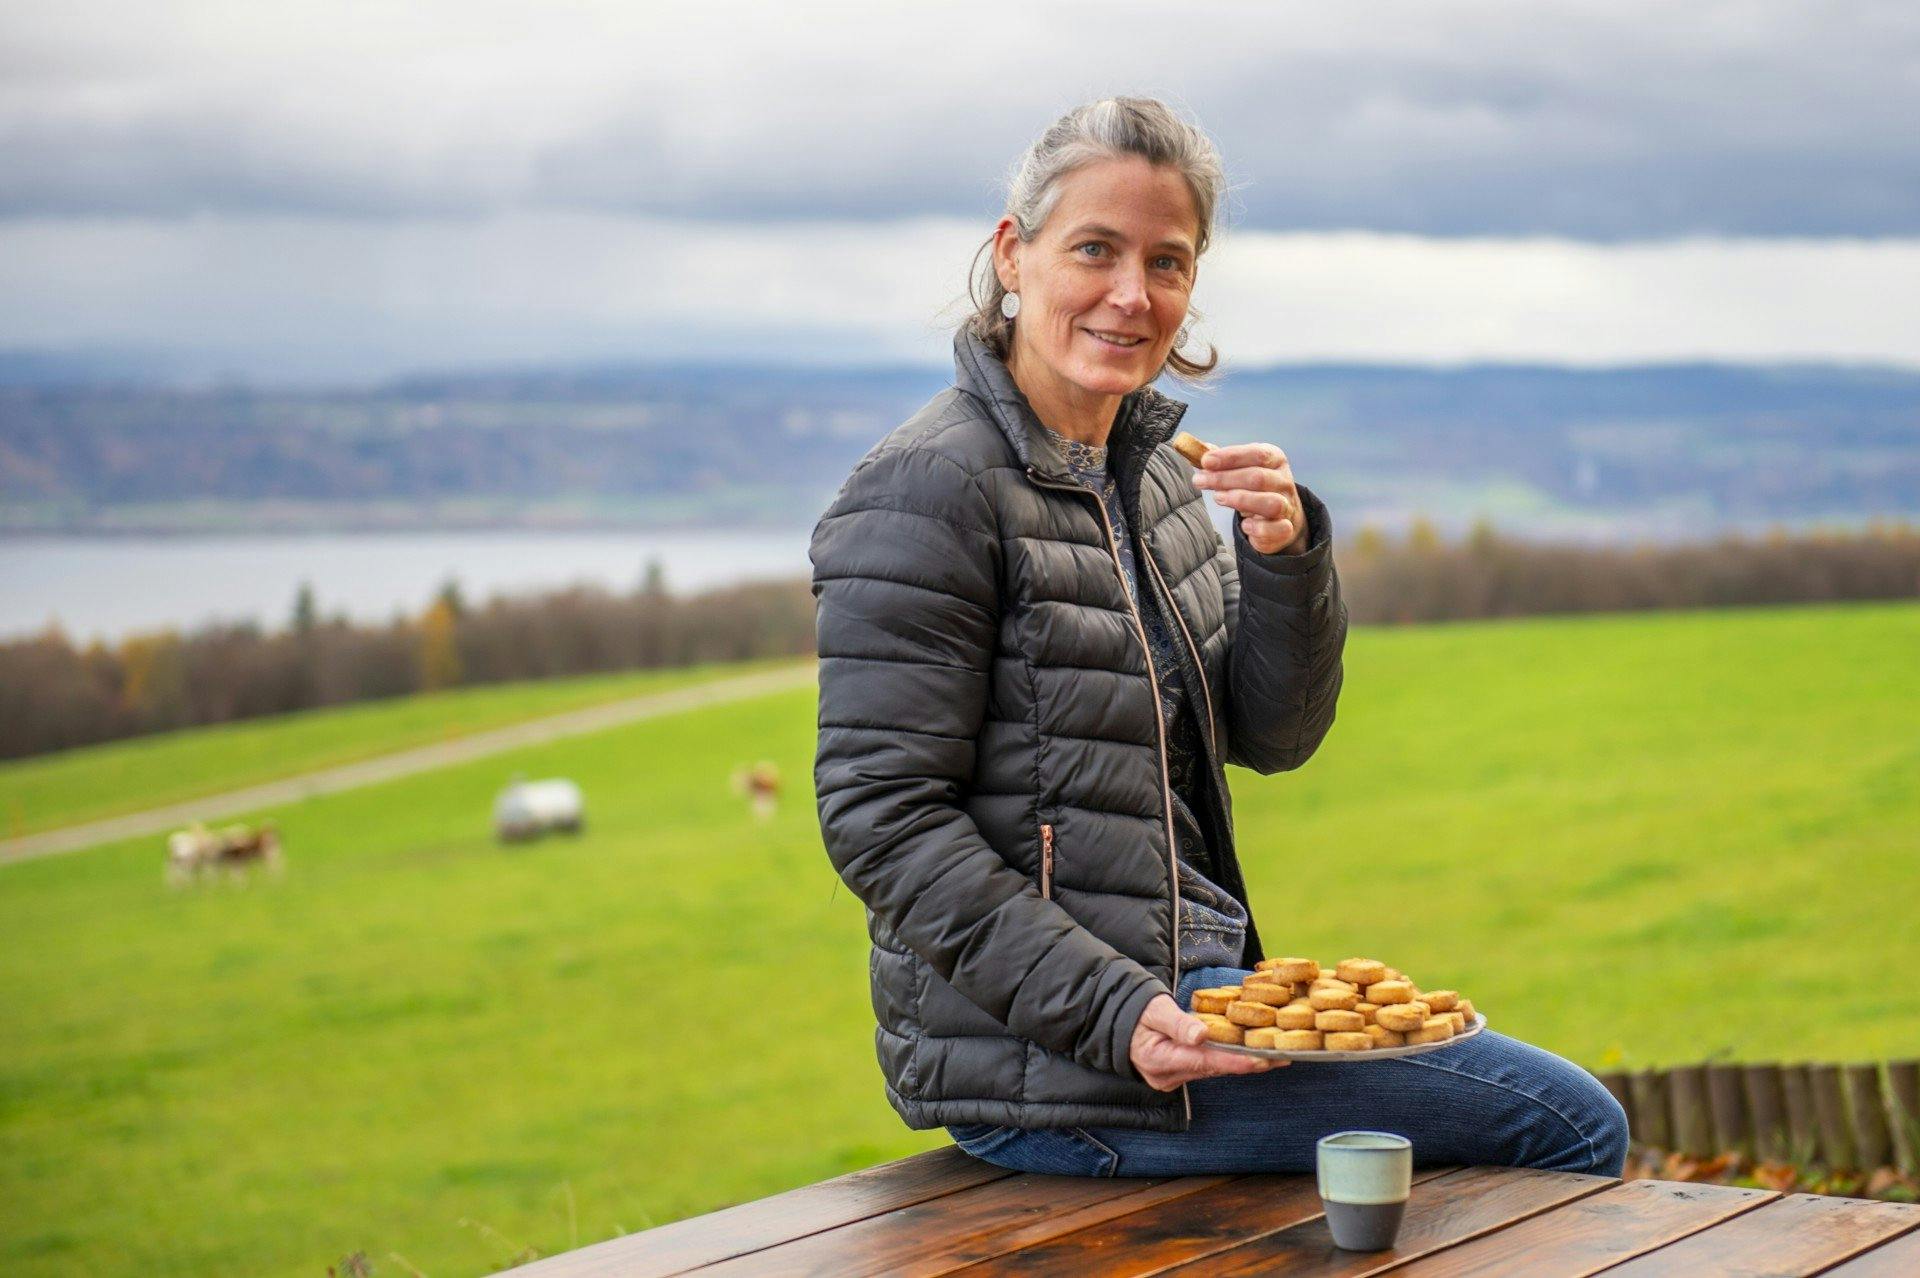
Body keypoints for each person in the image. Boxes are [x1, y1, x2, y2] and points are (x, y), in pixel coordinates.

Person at [809, 96, 1627, 1179]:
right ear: (1014, 256)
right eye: (1095, 249)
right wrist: (1113, 1012)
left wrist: (1286, 561)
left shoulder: (1150, 478)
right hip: (1062, 1067)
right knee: (1569, 1126)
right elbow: (881, 817)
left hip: (1200, 1003)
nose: (1131, 294)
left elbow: (1273, 735)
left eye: (1168, 262)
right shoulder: (927, 488)